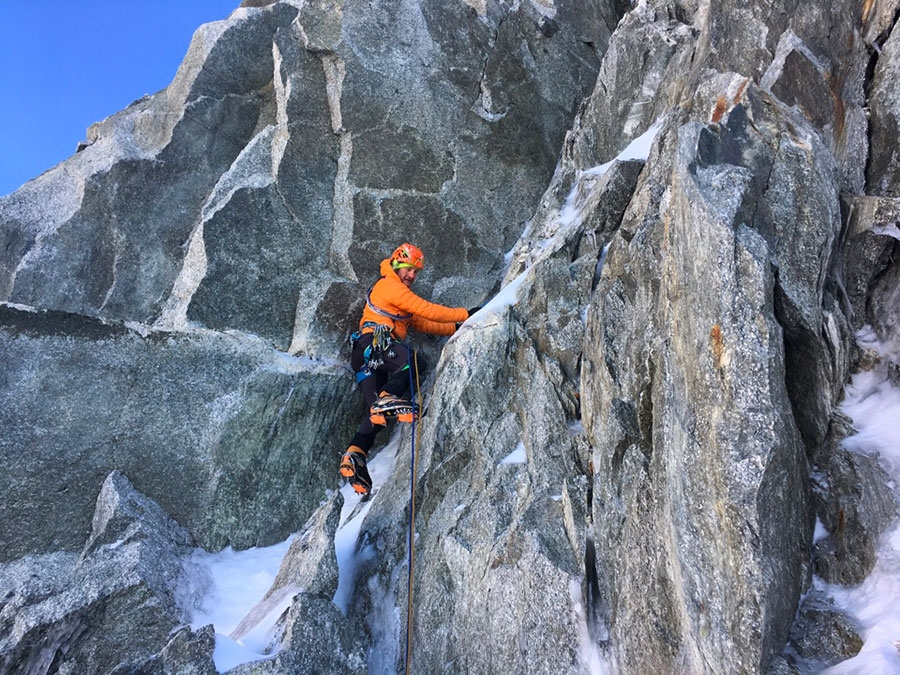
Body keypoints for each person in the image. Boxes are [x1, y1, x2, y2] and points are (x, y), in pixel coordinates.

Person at [340, 243, 478, 496]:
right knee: (414, 362)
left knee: (376, 416)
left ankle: (354, 456)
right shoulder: (389, 285)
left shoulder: (397, 298)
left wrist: (455, 328)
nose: (412, 276)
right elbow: (425, 308)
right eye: (409, 269)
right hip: (376, 342)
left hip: (366, 356)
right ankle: (386, 399)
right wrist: (466, 314)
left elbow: (423, 322)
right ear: (396, 264)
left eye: (416, 272)